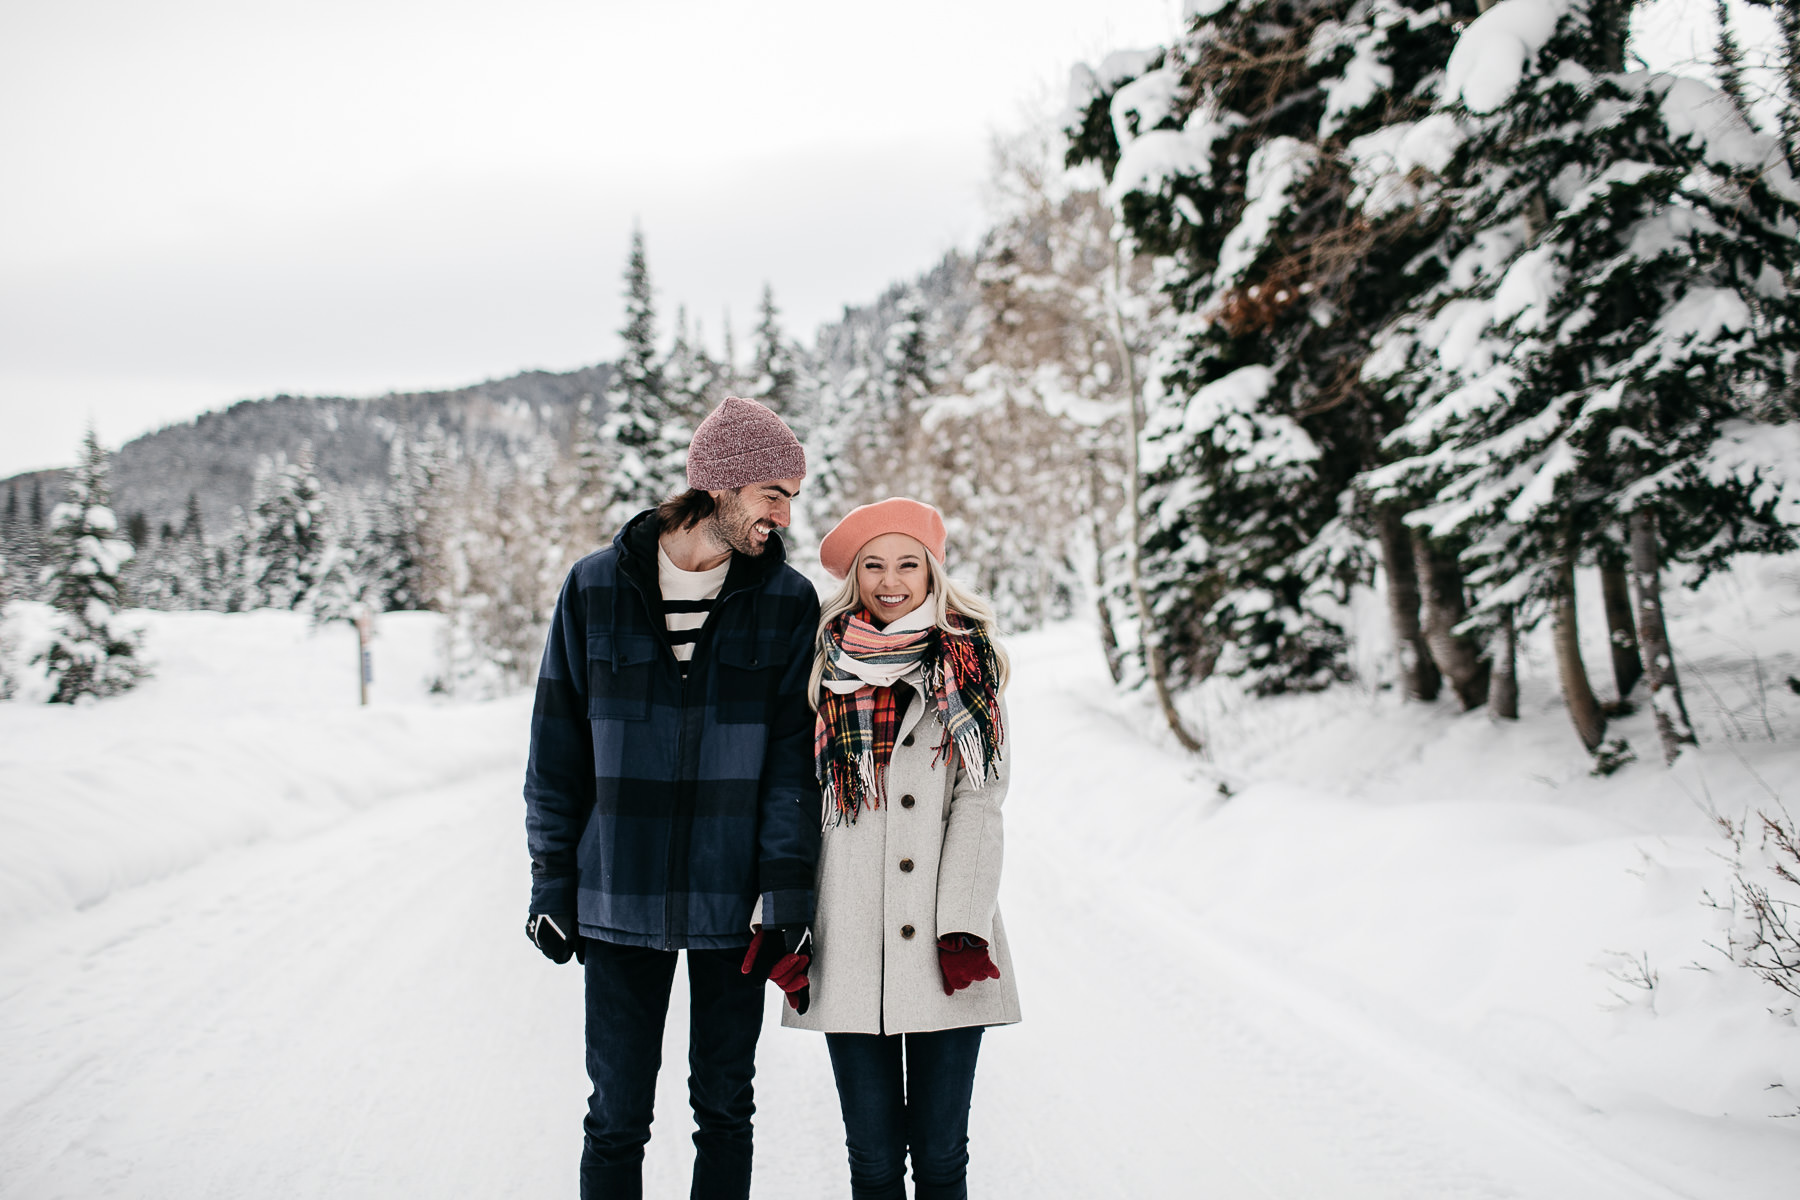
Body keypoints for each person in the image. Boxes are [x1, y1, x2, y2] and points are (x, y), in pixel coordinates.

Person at [523, 395, 823, 1200]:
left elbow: (795, 766)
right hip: (616, 895)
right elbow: (556, 756)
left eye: (791, 497)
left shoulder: (788, 603)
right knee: (616, 1117)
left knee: (725, 1108)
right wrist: (552, 883)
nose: (784, 516)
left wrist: (786, 890)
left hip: (735, 905)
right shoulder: (593, 590)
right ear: (720, 487)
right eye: (773, 493)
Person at [784, 496, 1020, 1200]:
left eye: (908, 563)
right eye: (874, 566)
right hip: (847, 939)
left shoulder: (970, 665)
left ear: (932, 572)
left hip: (946, 938)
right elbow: (793, 803)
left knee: (943, 1155)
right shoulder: (819, 668)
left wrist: (962, 926)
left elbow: (981, 801)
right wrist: (786, 912)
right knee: (875, 1159)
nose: (892, 580)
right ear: (854, 577)